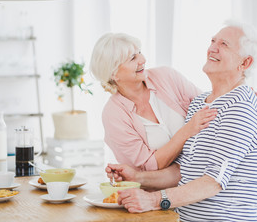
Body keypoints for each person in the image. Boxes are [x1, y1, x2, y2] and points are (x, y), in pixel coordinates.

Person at [106, 21, 257, 221]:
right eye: (213, 40)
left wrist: (153, 200)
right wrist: (138, 178)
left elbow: (212, 182)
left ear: (245, 63)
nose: (212, 48)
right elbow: (184, 171)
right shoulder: (200, 103)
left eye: (224, 44)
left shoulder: (240, 107)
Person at [90, 33, 217, 171]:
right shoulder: (113, 115)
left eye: (139, 52)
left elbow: (208, 105)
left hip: (200, 173)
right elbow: (149, 166)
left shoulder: (166, 76)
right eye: (133, 58)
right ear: (114, 74)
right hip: (156, 189)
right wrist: (187, 131)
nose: (143, 60)